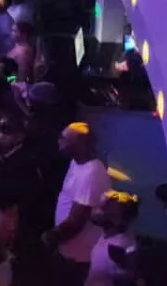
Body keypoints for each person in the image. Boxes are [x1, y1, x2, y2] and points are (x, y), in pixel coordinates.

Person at [44, 122, 112, 283]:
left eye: (64, 138)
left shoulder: (92, 172)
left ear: (80, 144)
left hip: (80, 258)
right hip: (69, 252)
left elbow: (77, 220)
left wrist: (51, 237)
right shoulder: (77, 162)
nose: (59, 141)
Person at [84, 191, 140, 286]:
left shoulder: (119, 246)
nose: (97, 211)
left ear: (118, 219)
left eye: (105, 208)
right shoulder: (108, 235)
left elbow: (129, 275)